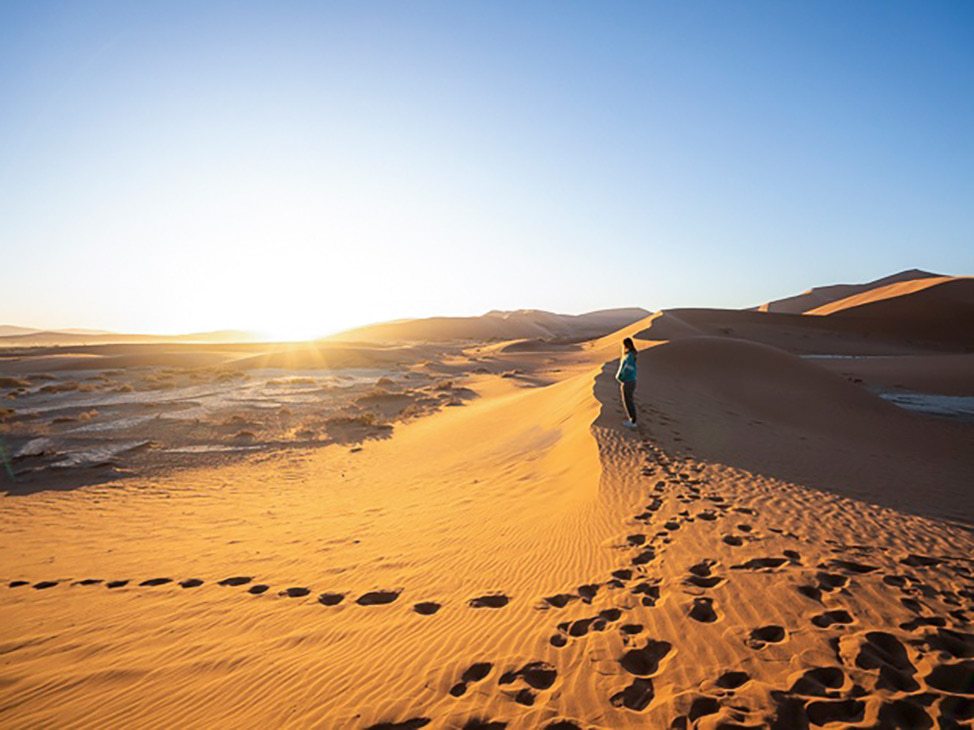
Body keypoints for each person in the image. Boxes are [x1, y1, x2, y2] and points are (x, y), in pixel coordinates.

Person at [616, 337, 638, 429]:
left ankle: (632, 421)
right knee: (629, 401)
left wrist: (621, 377)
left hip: (628, 381)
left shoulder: (629, 356)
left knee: (628, 401)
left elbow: (627, 369)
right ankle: (632, 420)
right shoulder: (631, 355)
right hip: (630, 381)